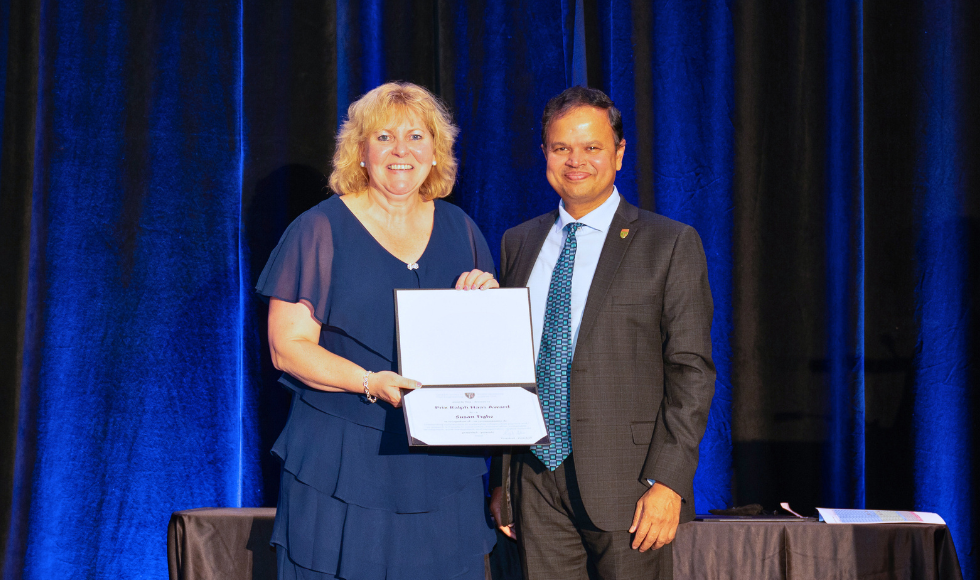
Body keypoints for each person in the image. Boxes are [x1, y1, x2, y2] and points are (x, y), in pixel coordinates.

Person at [256, 82, 498, 580]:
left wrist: (486, 301)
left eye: (416, 137)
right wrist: (370, 381)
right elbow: (288, 347)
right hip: (343, 458)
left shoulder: (463, 230)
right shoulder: (318, 229)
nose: (401, 151)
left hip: (442, 463)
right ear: (360, 151)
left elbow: (485, 352)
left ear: (436, 153)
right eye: (384, 137)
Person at [489, 86, 715, 580]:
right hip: (535, 481)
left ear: (619, 152)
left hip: (633, 488)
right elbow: (510, 367)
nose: (576, 161)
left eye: (592, 147)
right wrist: (504, 478)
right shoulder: (517, 242)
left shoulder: (670, 242)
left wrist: (669, 483)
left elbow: (691, 373)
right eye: (561, 147)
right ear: (544, 153)